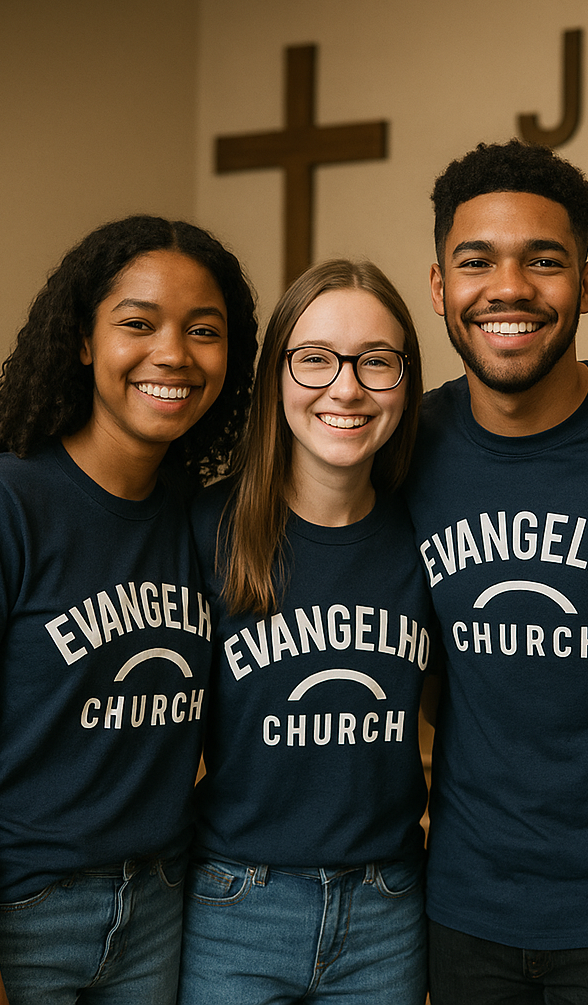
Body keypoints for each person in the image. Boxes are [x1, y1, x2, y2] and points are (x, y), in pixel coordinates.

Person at [403, 140, 588, 1003]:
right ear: (439, 288)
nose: (510, 288)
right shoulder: (402, 444)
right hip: (463, 908)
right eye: (476, 261)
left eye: (545, 260)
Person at [0, 215, 258, 1004]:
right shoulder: (0, 503)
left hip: (160, 909)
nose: (172, 353)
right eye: (138, 323)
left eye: (204, 331)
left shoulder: (199, 519)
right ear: (83, 340)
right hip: (22, 911)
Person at [178, 259, 435, 1005]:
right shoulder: (204, 532)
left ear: (406, 381)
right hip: (236, 905)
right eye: (315, 360)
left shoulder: (428, 537)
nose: (346, 387)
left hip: (386, 909)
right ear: (275, 377)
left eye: (376, 362)